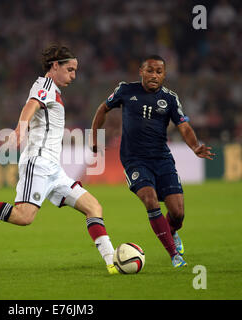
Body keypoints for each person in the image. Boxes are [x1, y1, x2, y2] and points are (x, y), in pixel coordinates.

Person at [0, 44, 119, 275]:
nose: (74, 75)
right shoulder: (45, 85)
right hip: (38, 163)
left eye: (75, 70)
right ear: (55, 66)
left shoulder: (55, 91)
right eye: (70, 69)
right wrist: (20, 130)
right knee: (23, 217)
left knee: (93, 207)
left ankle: (112, 262)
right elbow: (31, 105)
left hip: (54, 169)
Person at [90, 55, 215, 267]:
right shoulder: (125, 91)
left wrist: (195, 146)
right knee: (150, 199)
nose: (154, 75)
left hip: (161, 159)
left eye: (159, 72)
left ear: (164, 75)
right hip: (134, 160)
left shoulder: (171, 99)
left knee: (178, 213)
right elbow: (102, 109)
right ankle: (175, 255)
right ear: (141, 71)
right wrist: (95, 139)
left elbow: (183, 126)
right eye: (150, 70)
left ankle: (172, 231)